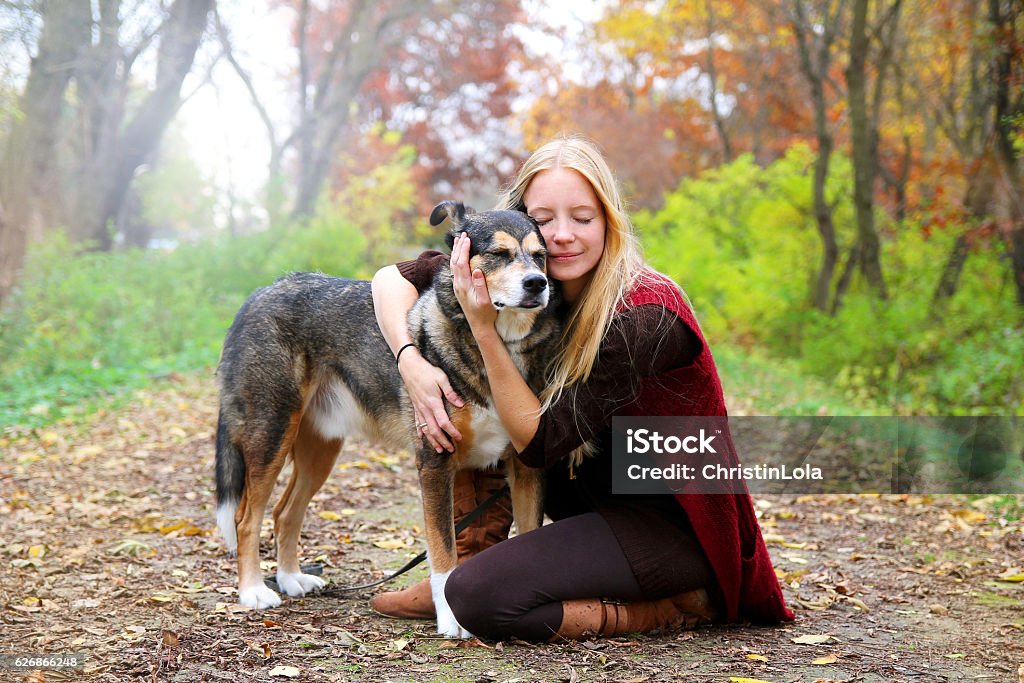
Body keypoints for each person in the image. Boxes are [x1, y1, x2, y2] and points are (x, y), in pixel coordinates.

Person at [369, 135, 793, 641]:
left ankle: (669, 607)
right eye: (544, 220)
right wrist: (410, 360)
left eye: (583, 218)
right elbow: (393, 278)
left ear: (609, 222)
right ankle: (473, 563)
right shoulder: (525, 276)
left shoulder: (646, 316)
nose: (561, 236)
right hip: (590, 512)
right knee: (461, 405)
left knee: (483, 601)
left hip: (673, 526)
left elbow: (539, 444)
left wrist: (483, 329)